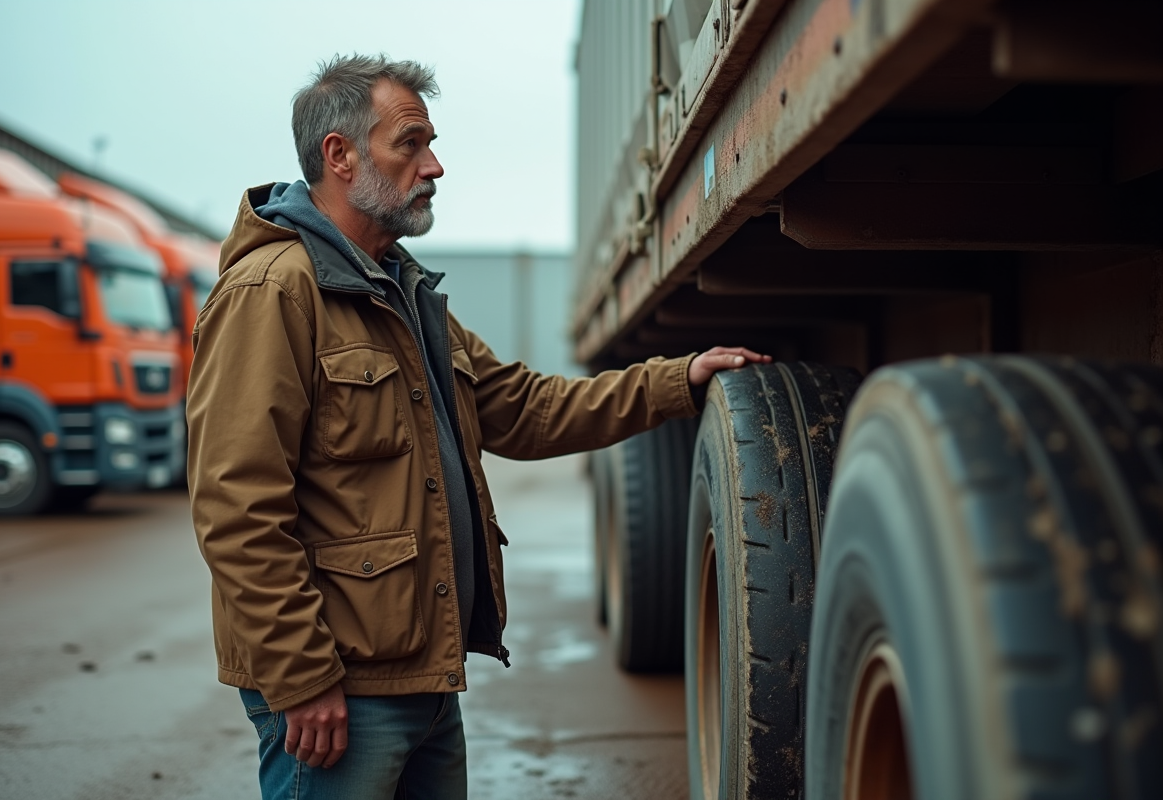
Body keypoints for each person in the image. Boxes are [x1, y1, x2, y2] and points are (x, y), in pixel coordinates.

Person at [186, 53, 769, 800]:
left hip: (423, 678)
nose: (434, 166)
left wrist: (676, 382)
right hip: (338, 691)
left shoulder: (401, 290)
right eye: (411, 143)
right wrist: (299, 675)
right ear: (340, 155)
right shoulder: (273, 292)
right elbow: (236, 507)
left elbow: (523, 408)